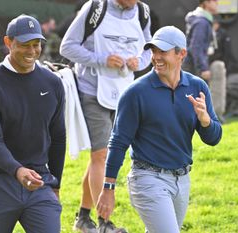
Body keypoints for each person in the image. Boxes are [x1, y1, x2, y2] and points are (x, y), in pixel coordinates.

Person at [96, 26, 222, 233]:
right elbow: (118, 142)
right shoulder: (136, 93)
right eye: (153, 51)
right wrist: (108, 188)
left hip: (182, 180)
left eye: (162, 51)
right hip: (147, 178)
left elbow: (214, 138)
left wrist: (206, 121)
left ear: (181, 53)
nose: (156, 57)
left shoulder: (197, 87)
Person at [60, 0, 152, 232]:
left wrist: (138, 62)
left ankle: (83, 218)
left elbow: (148, 49)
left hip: (124, 91)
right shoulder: (95, 8)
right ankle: (104, 224)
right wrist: (102, 59)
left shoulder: (142, 12)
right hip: (93, 91)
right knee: (101, 155)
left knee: (101, 156)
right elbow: (67, 47)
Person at [0, 14, 66, 233]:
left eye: (36, 45)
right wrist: (17, 170)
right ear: (8, 42)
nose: (32, 52)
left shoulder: (53, 83)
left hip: (39, 182)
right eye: (25, 45)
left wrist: (56, 183)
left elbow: (58, 136)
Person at [183, 0, 219, 82]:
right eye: (214, 0)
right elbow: (196, 47)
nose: (217, 3)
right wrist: (203, 68)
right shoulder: (201, 22)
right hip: (193, 69)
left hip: (191, 67)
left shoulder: (200, 20)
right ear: (206, 2)